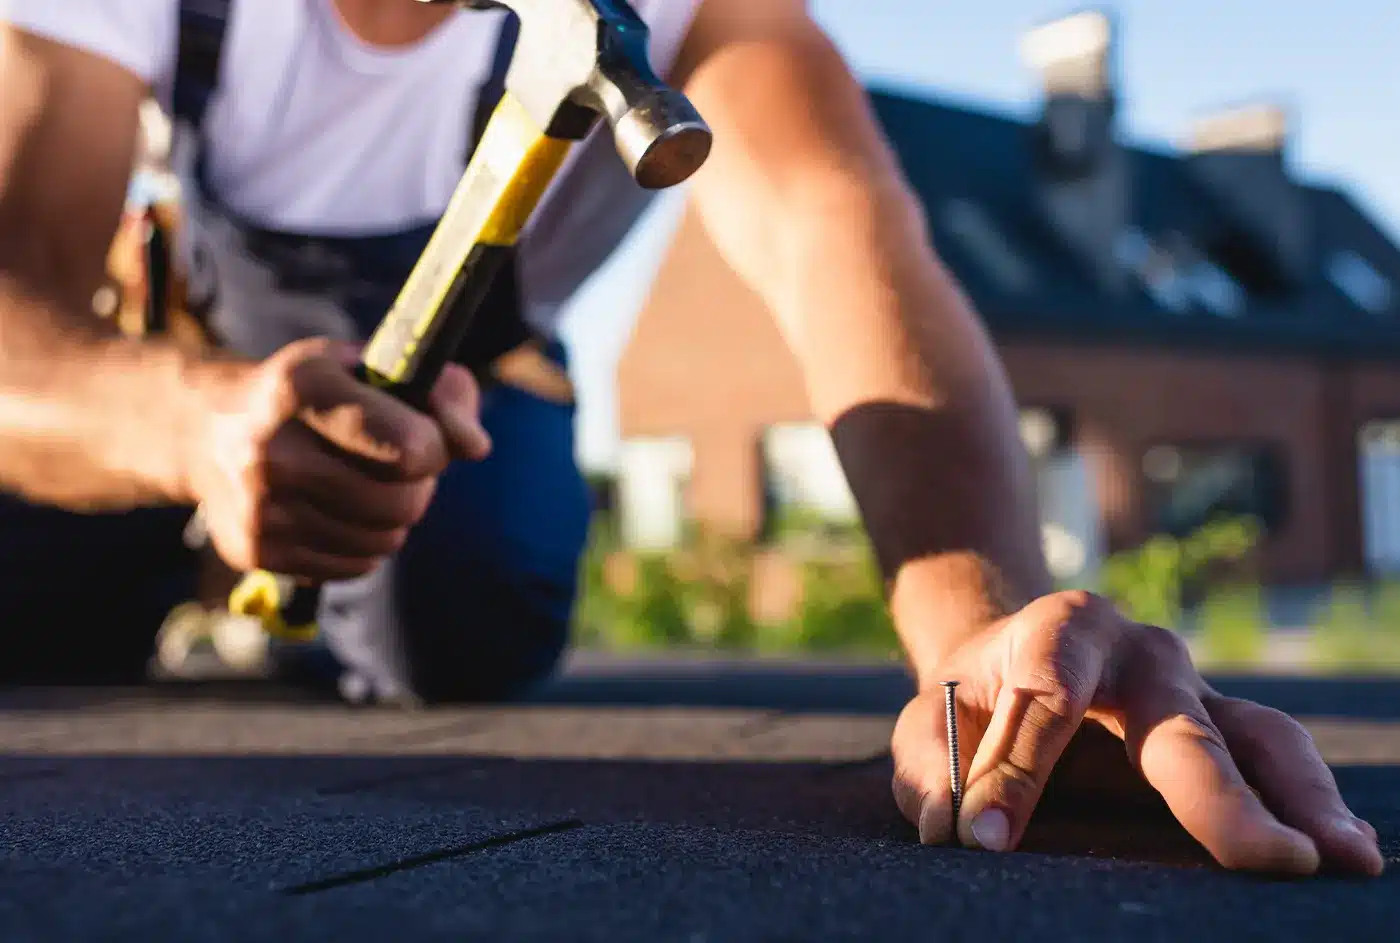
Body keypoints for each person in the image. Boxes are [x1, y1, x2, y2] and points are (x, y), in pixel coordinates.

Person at [0, 0, 1382, 878]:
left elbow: (846, 237)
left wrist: (996, 638)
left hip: (467, 388)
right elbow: (18, 311)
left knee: (468, 599)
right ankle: (179, 563)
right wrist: (197, 424)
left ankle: (294, 588)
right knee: (31, 574)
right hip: (180, 369)